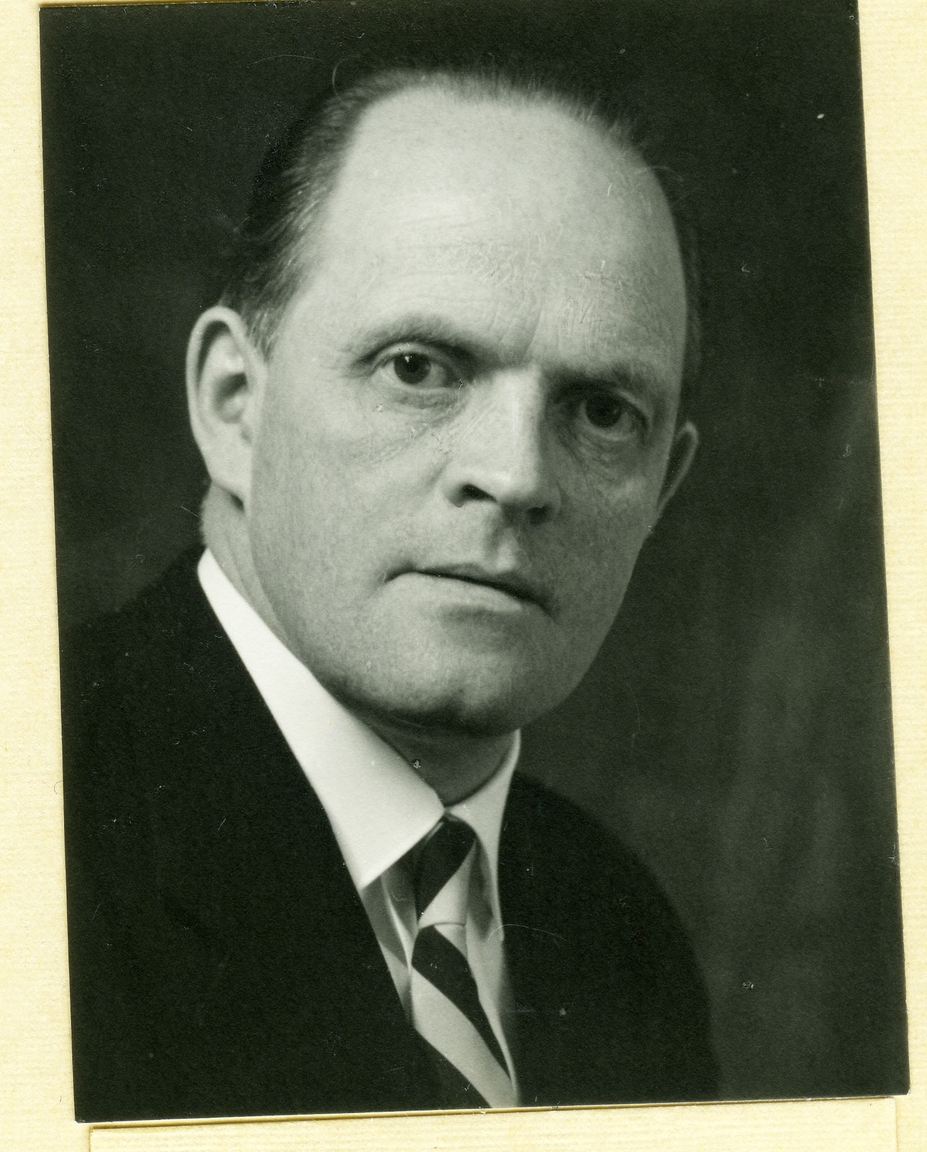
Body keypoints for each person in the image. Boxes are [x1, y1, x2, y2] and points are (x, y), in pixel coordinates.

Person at [61, 61, 718, 1122]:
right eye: (419, 368)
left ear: (662, 492)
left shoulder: (620, 936)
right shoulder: (44, 835)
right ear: (234, 406)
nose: (515, 475)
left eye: (602, 412)